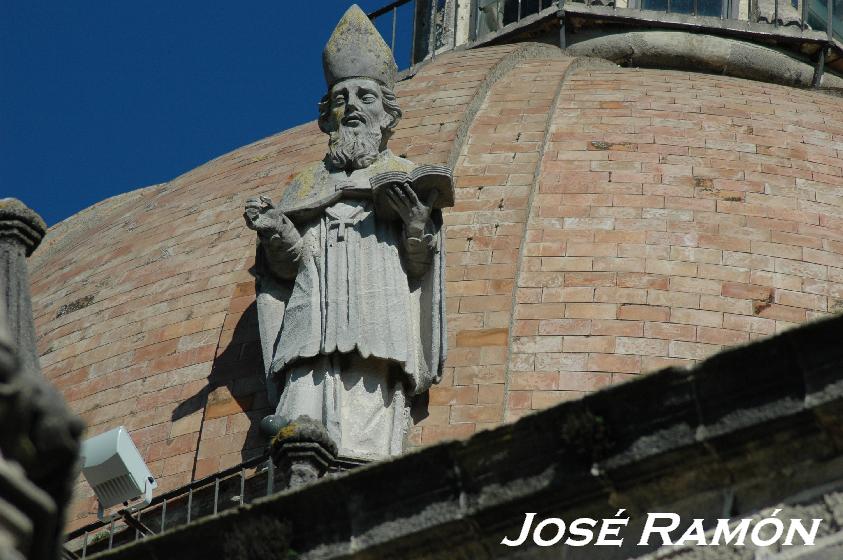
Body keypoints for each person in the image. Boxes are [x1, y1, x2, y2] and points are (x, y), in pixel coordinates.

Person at [243, 5, 447, 461]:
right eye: (341, 98)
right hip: (313, 308)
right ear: (327, 116)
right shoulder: (304, 185)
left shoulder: (404, 174)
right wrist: (277, 229)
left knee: (370, 389)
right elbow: (287, 267)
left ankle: (361, 458)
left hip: (379, 307)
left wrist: (415, 224)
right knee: (307, 380)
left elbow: (420, 268)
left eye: (365, 97)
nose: (352, 106)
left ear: (387, 115)